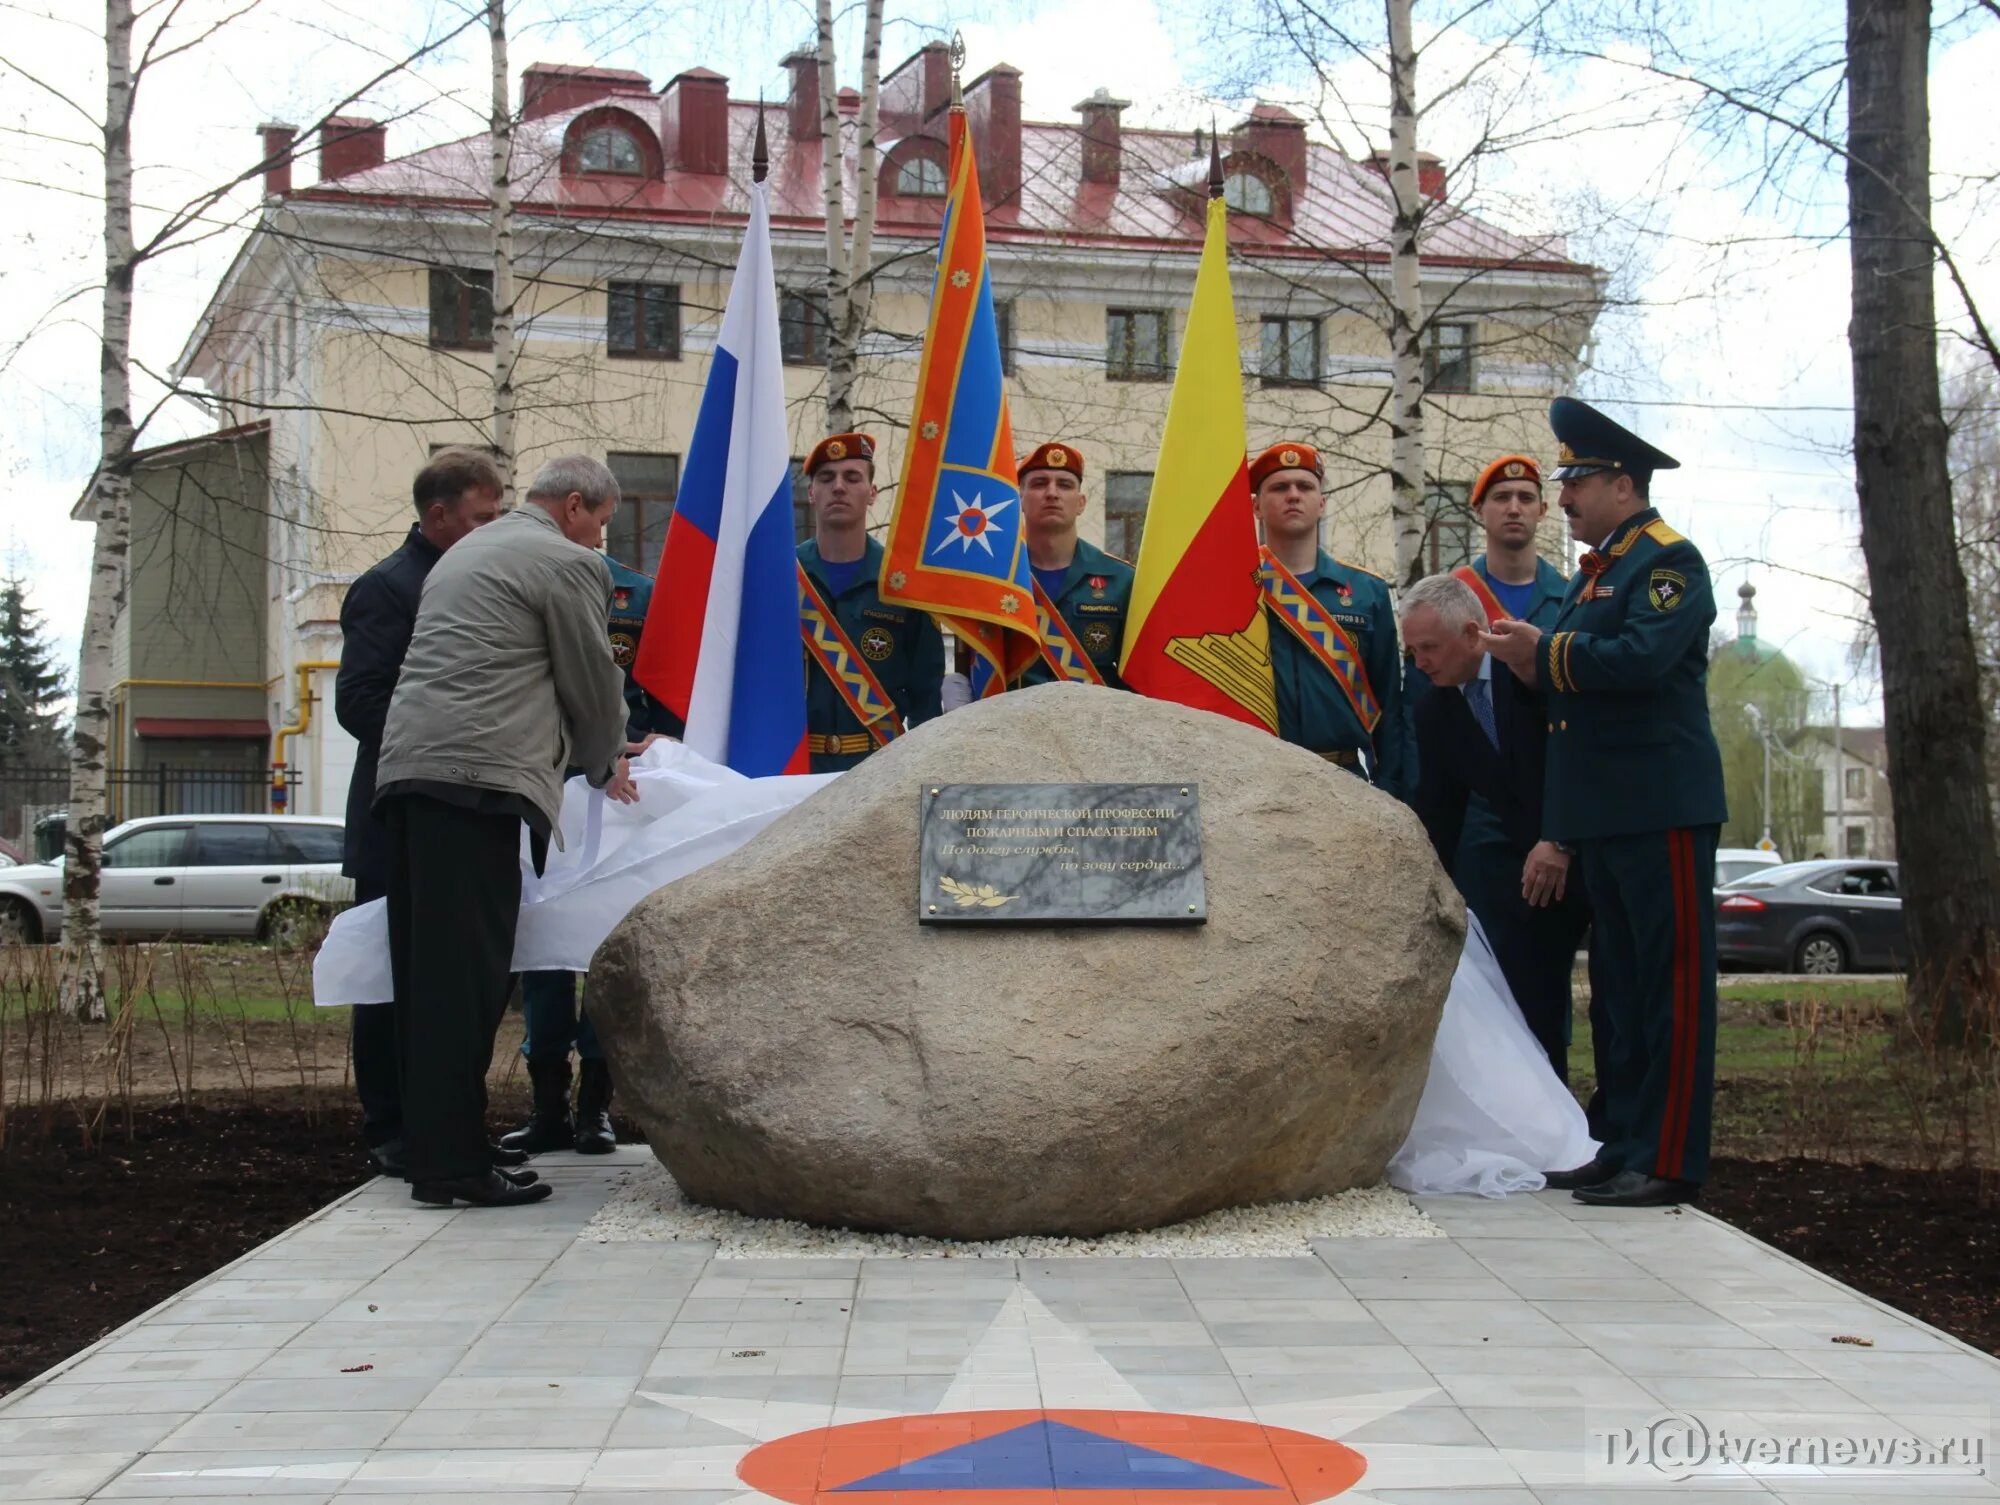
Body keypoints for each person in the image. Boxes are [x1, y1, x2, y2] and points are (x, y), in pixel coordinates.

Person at [374, 454, 639, 1208]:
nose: (601, 542)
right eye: (602, 524)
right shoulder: (564, 561)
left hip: (411, 779)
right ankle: (452, 1169)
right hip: (475, 787)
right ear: (577, 506)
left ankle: (444, 1145)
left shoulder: (470, 552)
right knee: (468, 981)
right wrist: (606, 761)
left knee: (428, 981)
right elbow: (592, 682)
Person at [1484, 397, 1727, 1208]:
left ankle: (1669, 1158)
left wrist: (1542, 652)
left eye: (1575, 481)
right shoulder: (1601, 573)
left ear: (1622, 483)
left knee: (1671, 986)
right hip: (1609, 814)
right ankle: (1622, 1139)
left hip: (1661, 806)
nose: (1561, 499)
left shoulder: (1667, 562)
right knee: (1618, 990)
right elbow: (1572, 707)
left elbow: (1641, 661)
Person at [334, 448, 505, 1178]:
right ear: (439, 516)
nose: (493, 532)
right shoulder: (390, 589)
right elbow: (360, 702)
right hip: (396, 820)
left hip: (462, 816)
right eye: (482, 519)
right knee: (390, 982)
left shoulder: (481, 581)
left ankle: (451, 1127)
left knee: (457, 986)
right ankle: (393, 1128)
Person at [504, 555, 684, 1159]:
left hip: (623, 795)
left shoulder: (641, 595)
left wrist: (662, 740)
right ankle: (547, 1106)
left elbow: (668, 687)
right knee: (547, 947)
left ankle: (594, 1110)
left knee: (607, 944)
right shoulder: (525, 579)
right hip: (553, 783)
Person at [1403, 573, 1591, 1080]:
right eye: (1412, 650)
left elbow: (1576, 760)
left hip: (1589, 848)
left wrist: (1560, 838)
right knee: (1528, 998)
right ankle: (1548, 1122)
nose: (1419, 661)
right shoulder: (1432, 708)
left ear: (1470, 634)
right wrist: (1420, 881)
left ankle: (1615, 1134)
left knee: (1616, 1001)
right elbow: (1441, 809)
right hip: (1529, 873)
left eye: (1429, 647)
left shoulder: (1529, 672)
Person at [1250, 442, 1409, 798]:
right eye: (1279, 487)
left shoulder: (1367, 592)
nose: (1293, 495)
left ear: (1321, 503)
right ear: (1257, 507)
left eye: (1304, 487)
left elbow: (1389, 703)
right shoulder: (1237, 589)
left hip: (1344, 778)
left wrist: (1391, 788)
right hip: (1256, 779)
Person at [796, 432, 944, 771]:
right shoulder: (780, 576)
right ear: (811, 493)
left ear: (872, 493)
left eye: (852, 477)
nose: (838, 487)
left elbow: (926, 695)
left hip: (877, 766)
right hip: (793, 767)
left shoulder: (905, 583)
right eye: (826, 478)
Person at [1008, 443, 1134, 689]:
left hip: (1095, 723)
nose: (1052, 493)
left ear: (1081, 503)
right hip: (1010, 724)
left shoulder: (1122, 580)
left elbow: (1140, 672)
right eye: (1039, 483)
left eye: (1064, 485)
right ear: (1020, 499)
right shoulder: (998, 576)